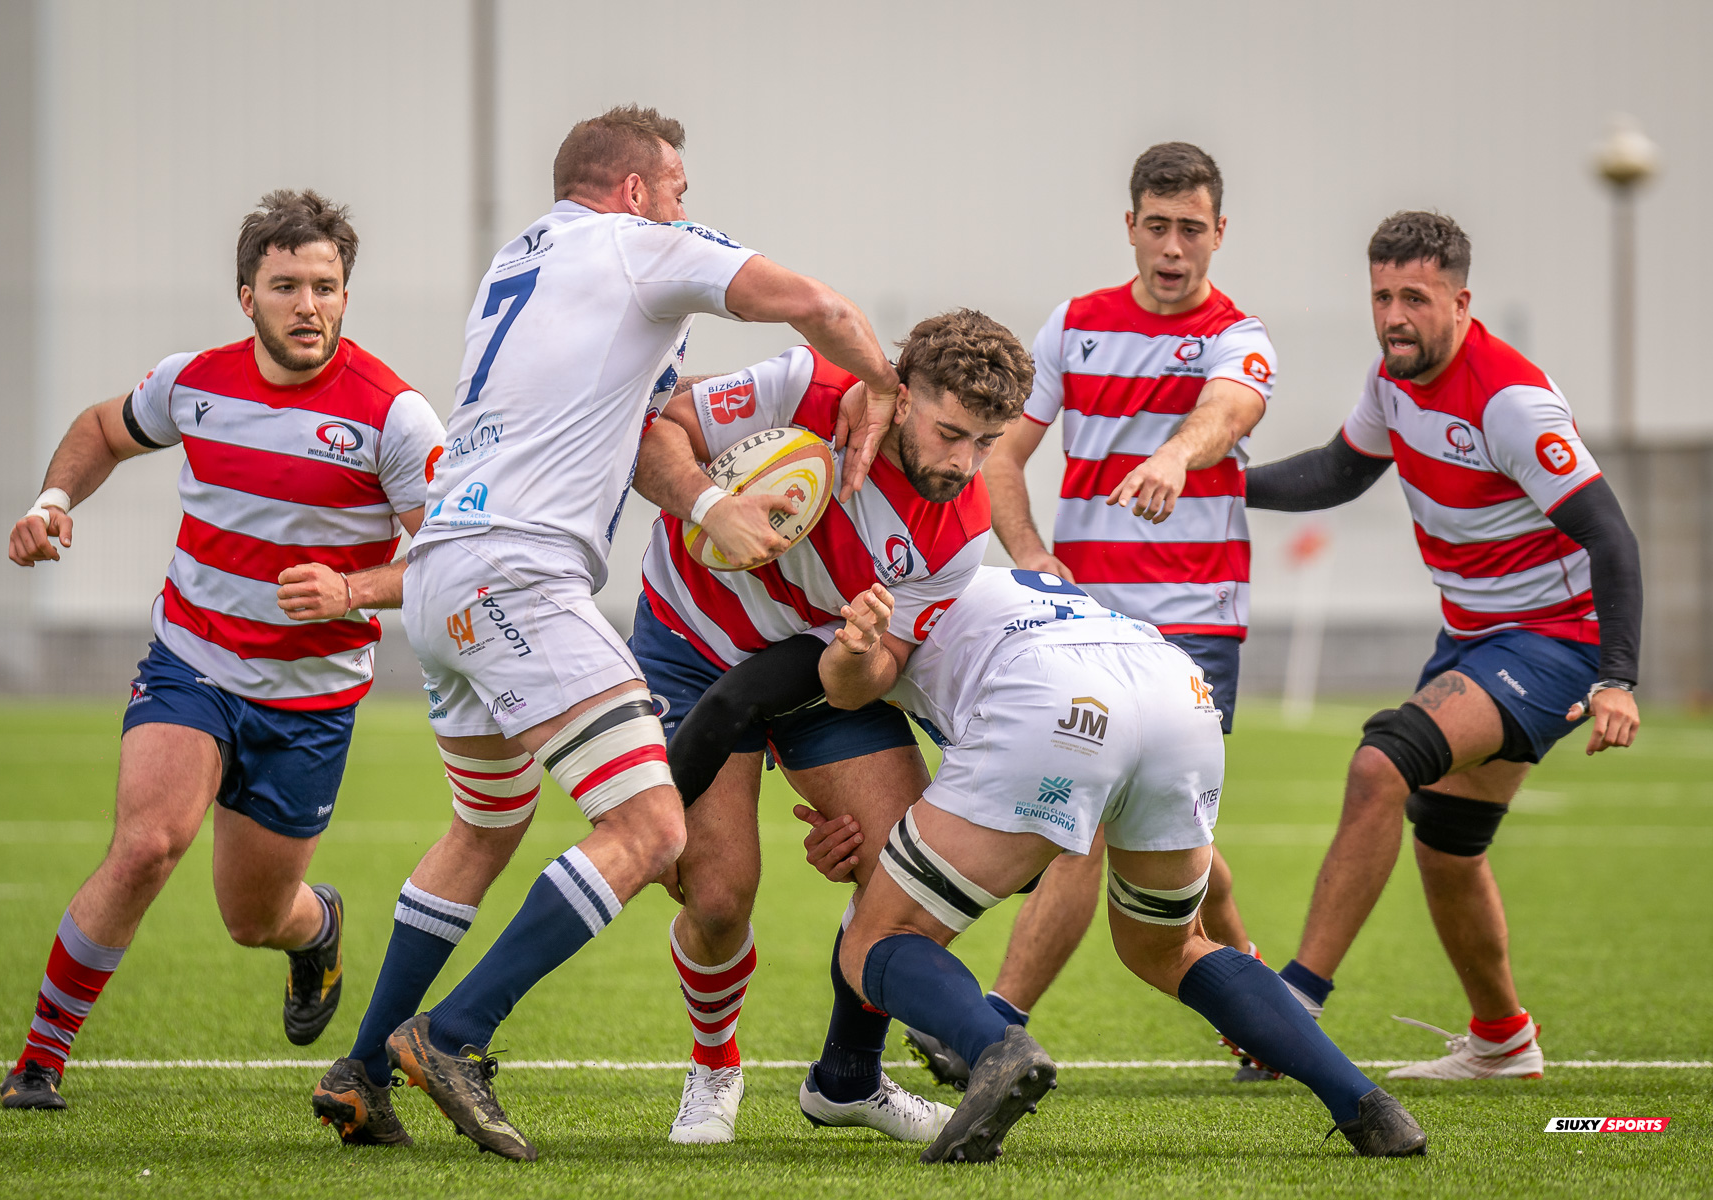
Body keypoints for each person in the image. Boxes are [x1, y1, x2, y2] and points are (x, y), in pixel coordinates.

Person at [312, 105, 907, 1159]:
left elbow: (645, 429)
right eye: (679, 186)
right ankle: (452, 1036)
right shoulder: (636, 247)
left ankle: (360, 1072)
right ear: (634, 190)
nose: (689, 205)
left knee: (484, 830)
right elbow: (814, 303)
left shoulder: (521, 259)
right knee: (652, 832)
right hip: (517, 571)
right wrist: (883, 385)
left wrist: (704, 505)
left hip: (445, 570)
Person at [670, 567, 1429, 1163]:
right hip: (1174, 689)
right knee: (1173, 944)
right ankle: (1363, 1103)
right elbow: (1030, 855)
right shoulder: (976, 571)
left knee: (876, 938)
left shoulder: (867, 595)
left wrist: (656, 816)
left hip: (1055, 701)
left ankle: (995, 1045)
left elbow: (743, 699)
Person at [0, 190, 445, 1110]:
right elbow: (99, 429)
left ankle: (314, 930)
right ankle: (40, 1060)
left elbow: (452, 552)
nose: (308, 305)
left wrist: (354, 590)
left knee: (253, 918)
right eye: (286, 286)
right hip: (190, 661)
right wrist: (53, 505)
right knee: (148, 844)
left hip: (310, 698)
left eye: (326, 286)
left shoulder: (393, 417)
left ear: (346, 297)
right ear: (247, 296)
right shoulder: (194, 382)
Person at [912, 142, 1280, 1089]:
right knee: (1173, 837)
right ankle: (1271, 1016)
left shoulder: (1242, 335)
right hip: (1088, 625)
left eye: (1190, 229)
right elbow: (1000, 453)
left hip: (1198, 618)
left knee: (1099, 820)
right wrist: (1030, 554)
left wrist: (1174, 457)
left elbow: (1228, 412)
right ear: (1131, 227)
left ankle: (992, 1025)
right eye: (1155, 227)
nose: (1171, 247)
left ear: (1218, 234)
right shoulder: (1076, 326)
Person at [1245, 210, 1643, 1080]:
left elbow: (1612, 538)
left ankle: (1293, 1004)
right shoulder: (1394, 382)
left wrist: (1618, 679)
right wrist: (1227, 488)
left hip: (1553, 642)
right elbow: (1341, 470)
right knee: (1448, 843)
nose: (1394, 316)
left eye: (1415, 298)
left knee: (1381, 764)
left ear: (1461, 302)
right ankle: (1504, 1042)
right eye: (1382, 296)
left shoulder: (1509, 401)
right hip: (1472, 637)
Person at [630, 311, 1032, 1144]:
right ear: (900, 392)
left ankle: (848, 1078)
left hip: (813, 670)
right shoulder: (804, 385)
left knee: (908, 878)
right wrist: (714, 505)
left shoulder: (961, 526)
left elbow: (868, 677)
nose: (963, 463)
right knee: (715, 896)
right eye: (951, 432)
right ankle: (714, 1068)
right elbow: (659, 435)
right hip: (691, 643)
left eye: (986, 443)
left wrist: (856, 653)